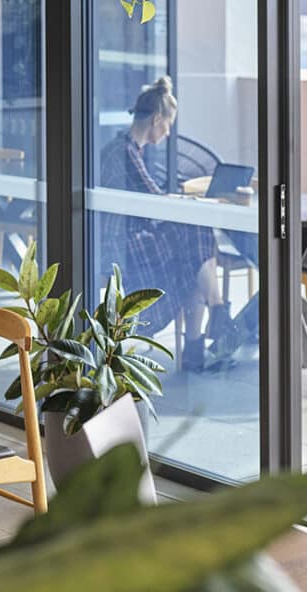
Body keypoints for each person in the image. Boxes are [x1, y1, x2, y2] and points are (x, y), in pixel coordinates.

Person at [98, 76, 237, 371]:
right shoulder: (124, 151)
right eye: (169, 124)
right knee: (195, 241)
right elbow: (155, 201)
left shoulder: (127, 147)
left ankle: (207, 332)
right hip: (121, 243)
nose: (169, 132)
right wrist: (186, 203)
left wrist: (181, 202)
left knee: (193, 246)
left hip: (132, 234)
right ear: (158, 119)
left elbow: (151, 199)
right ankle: (214, 320)